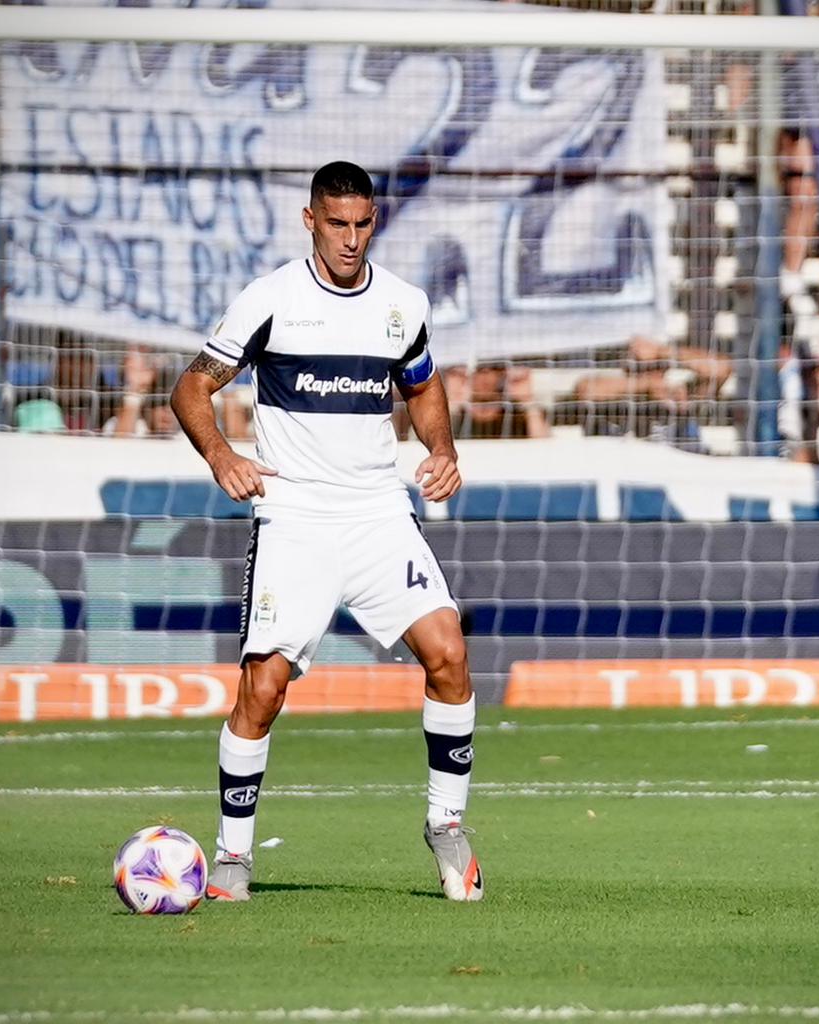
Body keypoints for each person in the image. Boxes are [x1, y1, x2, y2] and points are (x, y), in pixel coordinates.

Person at [170, 161, 481, 904]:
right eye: (336, 224)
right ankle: (233, 856)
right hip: (296, 518)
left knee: (449, 651)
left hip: (378, 514)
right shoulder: (270, 300)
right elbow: (190, 387)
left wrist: (441, 449)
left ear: (375, 222)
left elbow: (422, 383)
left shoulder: (402, 304)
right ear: (310, 220)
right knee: (264, 688)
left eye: (362, 224)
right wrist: (222, 456)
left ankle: (446, 826)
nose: (350, 239)